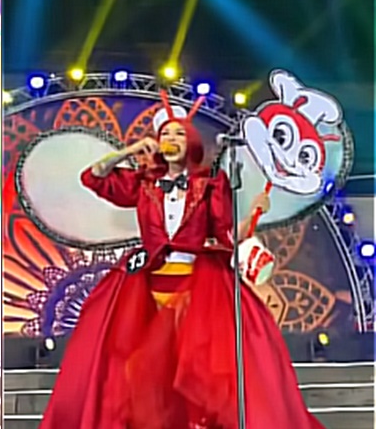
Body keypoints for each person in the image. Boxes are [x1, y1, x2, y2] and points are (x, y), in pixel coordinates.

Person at [39, 99, 324, 429]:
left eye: (178, 134)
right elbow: (93, 177)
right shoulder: (144, 183)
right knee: (138, 364)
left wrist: (253, 214)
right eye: (165, 134)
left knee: (196, 367)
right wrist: (129, 150)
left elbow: (227, 235)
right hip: (146, 284)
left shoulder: (210, 185)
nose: (170, 139)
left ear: (190, 143)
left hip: (197, 285)